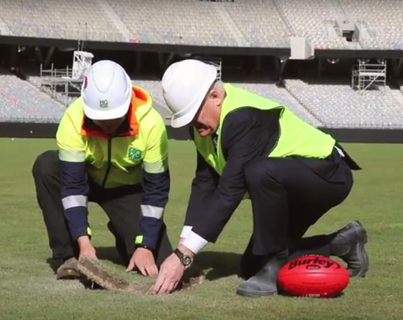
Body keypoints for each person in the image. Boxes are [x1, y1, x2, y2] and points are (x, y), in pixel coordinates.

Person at [152, 59, 369, 297]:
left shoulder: (243, 117)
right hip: (287, 185)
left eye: (193, 114)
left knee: (258, 170)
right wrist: (183, 248)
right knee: (252, 267)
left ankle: (276, 262)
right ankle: (341, 243)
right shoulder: (203, 128)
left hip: (327, 175)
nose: (192, 124)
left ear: (215, 96)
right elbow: (205, 184)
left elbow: (230, 190)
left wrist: (184, 255)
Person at [32, 60, 173, 280]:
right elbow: (73, 187)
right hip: (85, 179)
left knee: (159, 259)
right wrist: (83, 242)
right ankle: (66, 255)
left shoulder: (152, 123)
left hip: (126, 189)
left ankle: (123, 231)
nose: (107, 123)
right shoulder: (73, 117)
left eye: (114, 116)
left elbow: (156, 189)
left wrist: (145, 244)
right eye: (100, 117)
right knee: (47, 165)